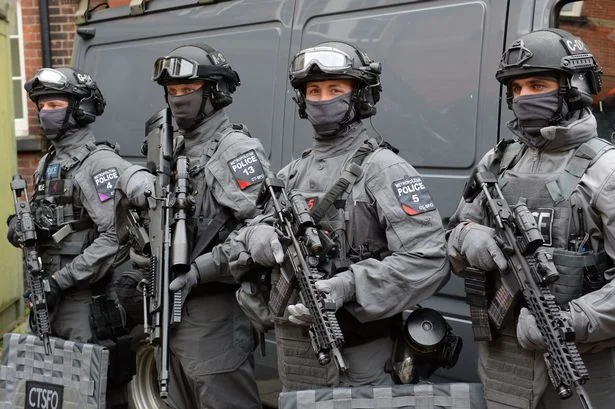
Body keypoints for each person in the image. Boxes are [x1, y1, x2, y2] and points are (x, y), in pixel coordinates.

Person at [218, 41, 450, 391]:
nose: (322, 99)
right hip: (296, 360)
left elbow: (431, 259)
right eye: (314, 90)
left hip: (360, 360)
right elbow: (239, 236)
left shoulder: (383, 170)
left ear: (359, 96)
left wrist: (349, 285)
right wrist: (255, 239)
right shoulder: (293, 172)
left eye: (335, 89)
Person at [446, 28, 615, 409]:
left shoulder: (605, 171)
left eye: (537, 84)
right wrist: (468, 239)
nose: (524, 97)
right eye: (517, 88)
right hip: (502, 366)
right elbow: (452, 237)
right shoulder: (498, 161)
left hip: (578, 365)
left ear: (574, 87)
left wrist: (567, 321)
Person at [115, 44, 266, 409]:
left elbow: (260, 233)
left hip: (216, 323)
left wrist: (202, 269)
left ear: (215, 91)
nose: (179, 99)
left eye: (189, 90)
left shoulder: (235, 151)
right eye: (173, 92)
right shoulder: (172, 149)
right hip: (169, 321)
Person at [7, 66, 134, 408]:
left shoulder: (99, 164)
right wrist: (18, 227)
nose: (45, 113)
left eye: (54, 104)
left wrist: (60, 282)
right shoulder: (47, 162)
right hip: (48, 300)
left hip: (84, 304)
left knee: (90, 395)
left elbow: (113, 238)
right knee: (50, 392)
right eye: (42, 106)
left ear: (81, 108)